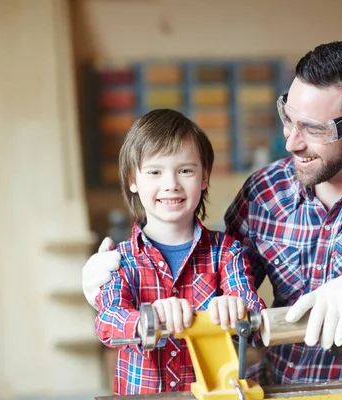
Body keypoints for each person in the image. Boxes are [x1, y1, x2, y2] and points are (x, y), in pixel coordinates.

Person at [83, 41, 342, 385]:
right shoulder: (265, 191)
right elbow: (215, 278)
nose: (291, 142)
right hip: (273, 389)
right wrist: (112, 294)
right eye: (289, 118)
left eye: (314, 129)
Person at [93, 109, 264, 395]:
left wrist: (238, 308)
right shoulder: (118, 259)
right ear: (132, 180)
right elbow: (107, 322)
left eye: (185, 170)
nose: (171, 183)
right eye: (155, 172)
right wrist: (149, 318)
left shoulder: (227, 252)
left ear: (204, 177)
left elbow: (255, 314)